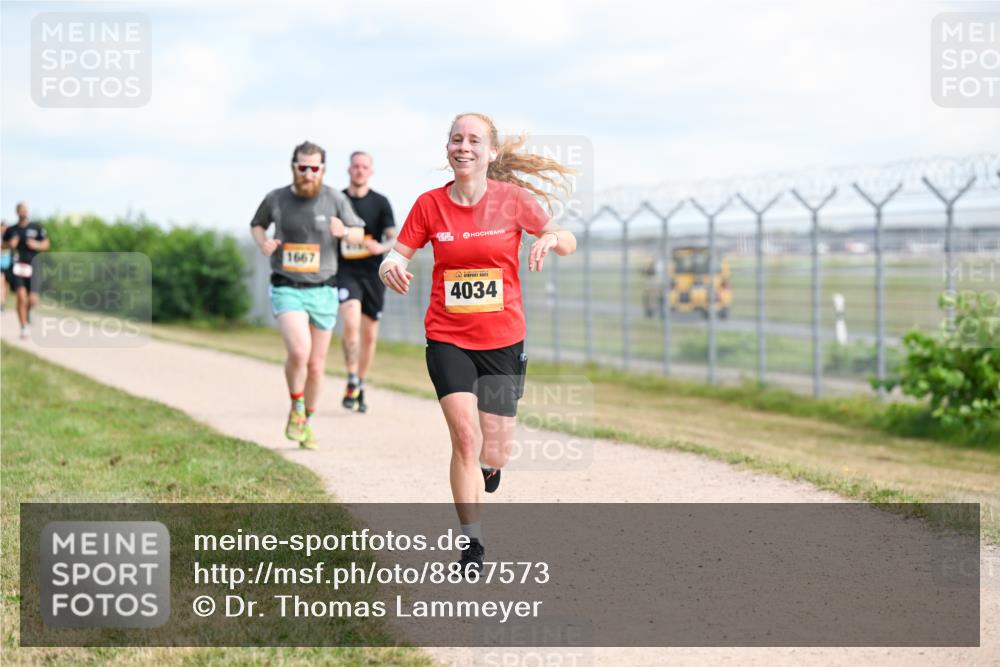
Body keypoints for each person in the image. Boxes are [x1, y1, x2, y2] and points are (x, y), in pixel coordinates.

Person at [380, 113, 577, 574]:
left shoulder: (512, 200)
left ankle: (491, 468)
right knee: (464, 439)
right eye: (455, 139)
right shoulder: (429, 205)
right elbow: (397, 253)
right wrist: (387, 267)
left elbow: (565, 238)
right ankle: (472, 544)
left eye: (473, 140)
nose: (462, 146)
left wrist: (549, 238)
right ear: (447, 149)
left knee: (495, 449)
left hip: (503, 338)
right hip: (447, 336)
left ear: (490, 153)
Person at [250, 141, 366, 450]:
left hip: (324, 290)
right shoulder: (276, 198)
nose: (308, 173)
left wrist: (345, 233)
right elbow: (257, 225)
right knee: (299, 352)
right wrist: (264, 243)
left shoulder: (335, 199)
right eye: (303, 167)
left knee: (316, 365)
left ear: (323, 170)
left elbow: (359, 232)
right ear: (293, 167)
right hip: (287, 286)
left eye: (315, 168)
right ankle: (297, 405)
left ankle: (305, 422)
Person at [336, 151, 396, 413]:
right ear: (349, 170)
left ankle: (360, 383)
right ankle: (350, 378)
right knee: (350, 321)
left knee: (369, 336)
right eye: (356, 166)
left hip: (373, 273)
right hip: (345, 271)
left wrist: (379, 247)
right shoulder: (338, 200)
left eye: (364, 167)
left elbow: (394, 237)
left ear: (370, 171)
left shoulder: (381, 202)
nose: (359, 171)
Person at [2, 203, 50, 338]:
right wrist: (10, 244)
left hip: (34, 266)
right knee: (21, 297)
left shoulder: (36, 227)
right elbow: (2, 246)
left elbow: (47, 244)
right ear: (17, 212)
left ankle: (28, 312)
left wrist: (37, 244)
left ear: (27, 211)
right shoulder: (11, 230)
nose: (23, 211)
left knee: (32, 300)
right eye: (21, 210)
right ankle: (23, 326)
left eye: (25, 209)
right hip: (17, 267)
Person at [1, 221, 11, 312]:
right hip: (1, 264)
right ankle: (2, 304)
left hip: (8, 264)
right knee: (1, 283)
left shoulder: (9, 238)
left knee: (6, 285)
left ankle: (4, 303)